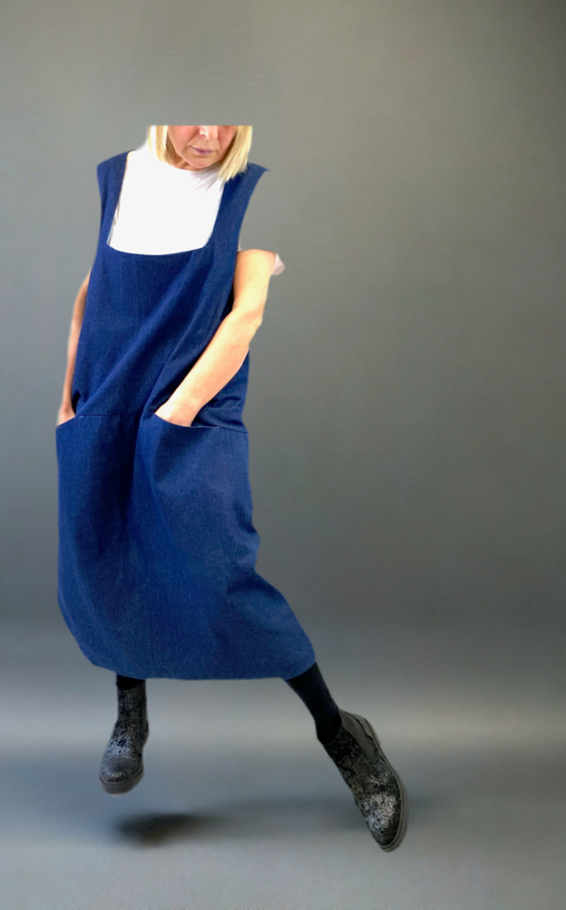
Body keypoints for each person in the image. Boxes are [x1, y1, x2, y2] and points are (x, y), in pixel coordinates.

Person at [55, 125, 407, 851]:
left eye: (224, 119)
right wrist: (66, 404)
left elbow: (245, 317)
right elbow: (89, 298)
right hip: (103, 405)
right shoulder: (118, 181)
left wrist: (176, 412)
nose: (208, 134)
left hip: (187, 413)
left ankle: (341, 733)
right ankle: (130, 713)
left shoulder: (240, 197)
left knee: (219, 571)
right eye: (192, 115)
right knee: (108, 556)